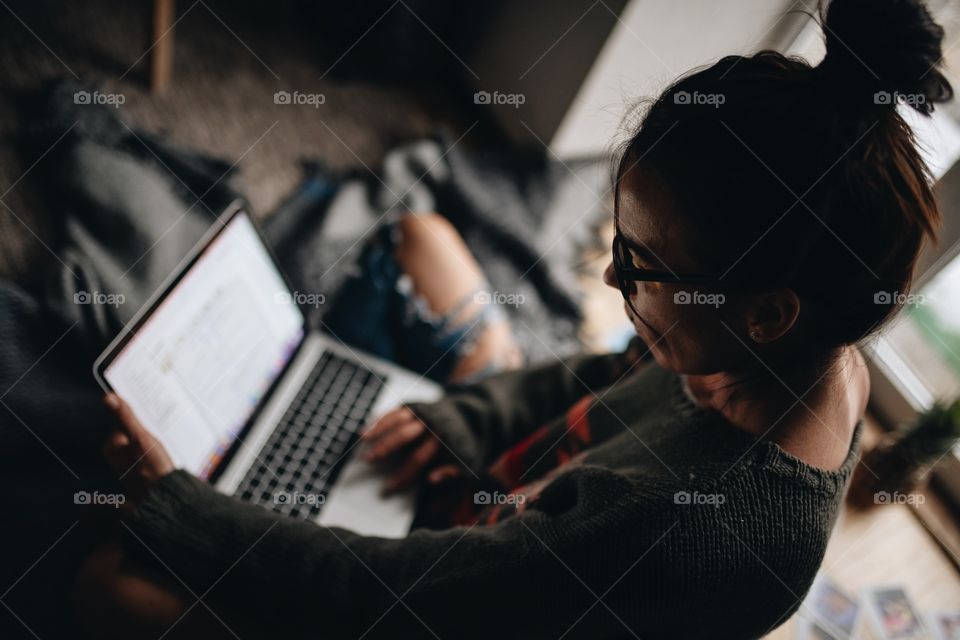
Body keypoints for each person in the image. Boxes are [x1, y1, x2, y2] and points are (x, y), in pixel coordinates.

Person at [73, 0, 953, 637]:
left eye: (642, 265)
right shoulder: (806, 356)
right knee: (421, 236)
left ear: (766, 314)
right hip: (512, 491)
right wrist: (464, 417)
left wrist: (179, 507)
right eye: (619, 237)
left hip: (449, 582)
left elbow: (387, 597)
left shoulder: (673, 531)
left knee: (109, 582)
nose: (609, 274)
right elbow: (601, 377)